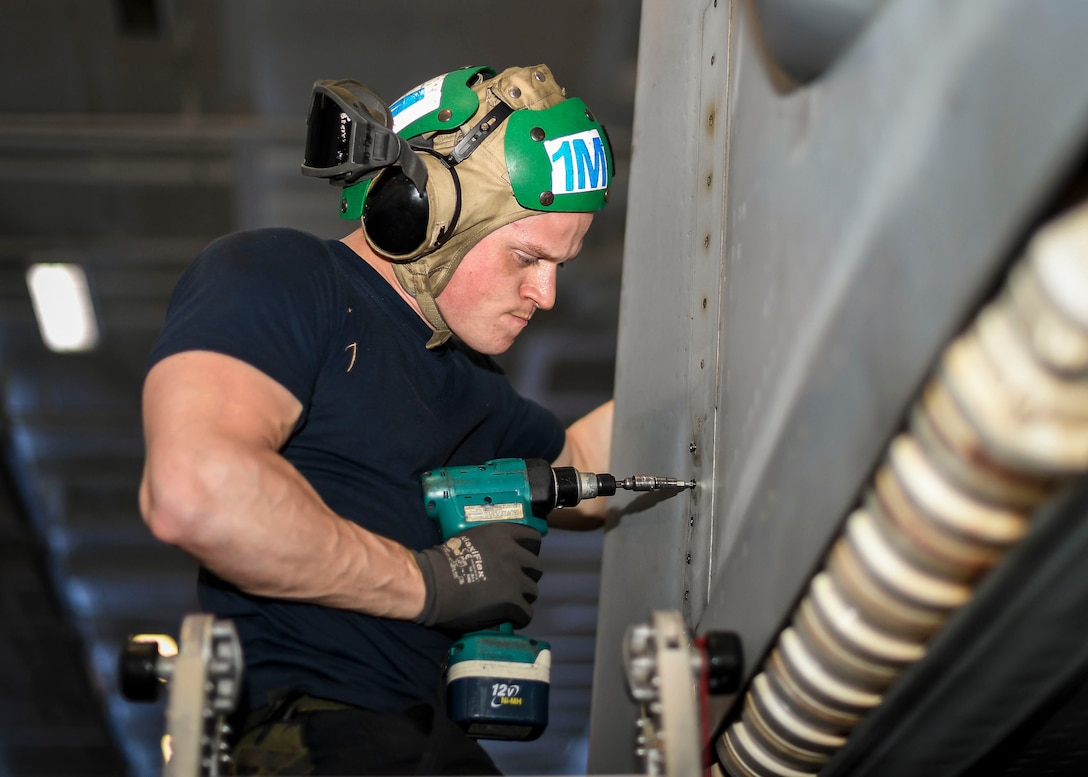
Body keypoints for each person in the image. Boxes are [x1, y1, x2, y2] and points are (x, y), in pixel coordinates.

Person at [139, 63, 616, 775]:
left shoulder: (474, 385)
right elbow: (195, 490)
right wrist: (431, 582)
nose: (545, 293)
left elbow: (589, 468)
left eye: (561, 266)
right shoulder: (283, 279)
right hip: (304, 737)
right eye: (527, 255)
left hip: (438, 748)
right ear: (421, 210)